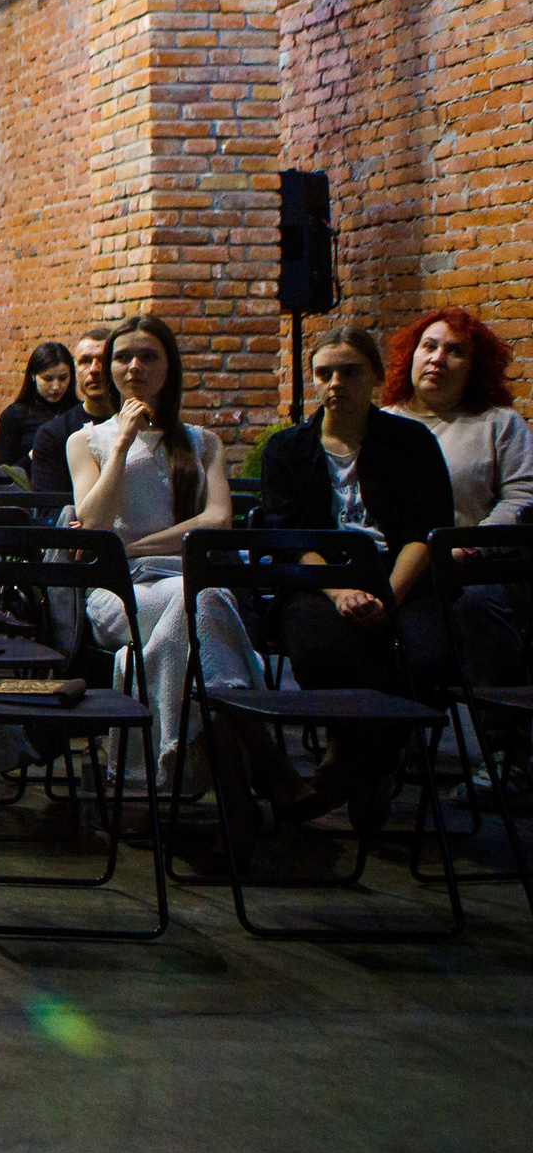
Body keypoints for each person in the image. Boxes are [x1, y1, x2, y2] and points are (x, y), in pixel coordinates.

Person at [257, 325, 458, 831]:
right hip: (318, 580)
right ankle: (364, 763)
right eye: (325, 373)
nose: (336, 383)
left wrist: (386, 597)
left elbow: (426, 532)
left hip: (400, 578)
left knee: (425, 652)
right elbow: (292, 539)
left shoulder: (411, 442)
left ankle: (357, 766)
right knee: (323, 649)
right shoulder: (288, 450)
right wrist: (341, 591)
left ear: (375, 376)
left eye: (350, 372)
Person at [64, 316, 267, 794]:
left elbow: (217, 521)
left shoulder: (202, 442)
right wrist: (123, 444)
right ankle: (254, 775)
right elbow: (93, 523)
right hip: (121, 589)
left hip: (182, 579)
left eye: (148, 356)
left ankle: (189, 768)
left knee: (195, 604)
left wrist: (131, 545)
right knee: (203, 604)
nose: (134, 366)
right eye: (123, 357)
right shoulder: (87, 441)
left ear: (169, 367)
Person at [385, 305, 532, 723]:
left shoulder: (499, 423)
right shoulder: (383, 424)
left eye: (455, 352)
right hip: (402, 567)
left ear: (475, 367)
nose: (437, 359)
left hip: (477, 568)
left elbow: (522, 495)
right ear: (410, 356)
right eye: (428, 347)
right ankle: (391, 741)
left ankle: (505, 747)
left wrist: (471, 545)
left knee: (477, 606)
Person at [27, 325, 121, 495]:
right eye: (85, 361)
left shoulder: (141, 427)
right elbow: (50, 511)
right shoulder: (52, 434)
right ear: (75, 370)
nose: (94, 369)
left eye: (104, 360)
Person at [0, 342, 77, 474]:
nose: (56, 386)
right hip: (29, 492)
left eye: (63, 378)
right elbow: (1, 476)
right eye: (47, 379)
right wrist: (34, 456)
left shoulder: (78, 411)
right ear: (33, 376)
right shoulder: (14, 415)